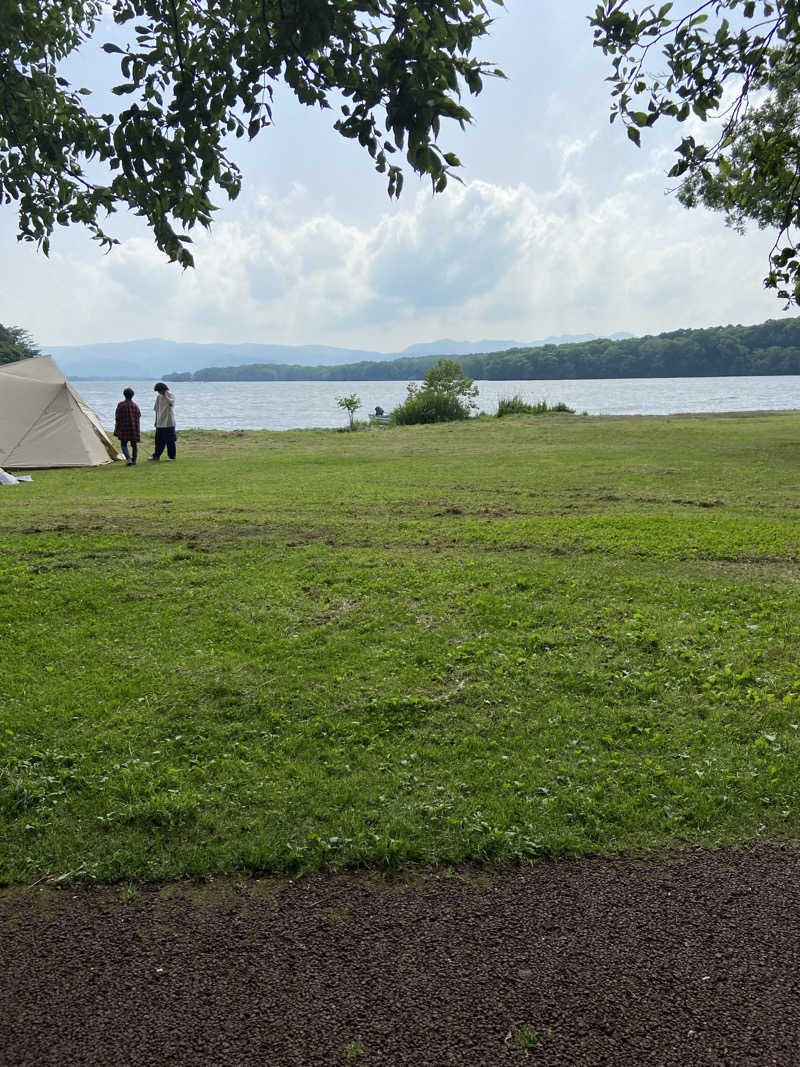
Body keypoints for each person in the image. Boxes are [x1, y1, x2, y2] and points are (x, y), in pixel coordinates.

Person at [113, 387, 141, 466]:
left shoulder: (121, 404)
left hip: (124, 428)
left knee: (123, 445)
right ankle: (134, 460)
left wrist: (117, 427)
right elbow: (139, 415)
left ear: (124, 395)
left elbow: (117, 416)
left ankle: (128, 459)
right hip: (134, 428)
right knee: (134, 445)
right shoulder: (135, 405)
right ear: (132, 395)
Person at [149, 382, 177, 461]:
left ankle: (172, 456)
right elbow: (156, 410)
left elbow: (171, 403)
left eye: (159, 391)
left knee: (170, 441)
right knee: (158, 441)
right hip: (160, 422)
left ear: (163, 389)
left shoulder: (171, 395)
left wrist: (166, 396)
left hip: (169, 422)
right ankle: (156, 456)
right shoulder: (158, 397)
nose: (159, 392)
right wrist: (156, 421)